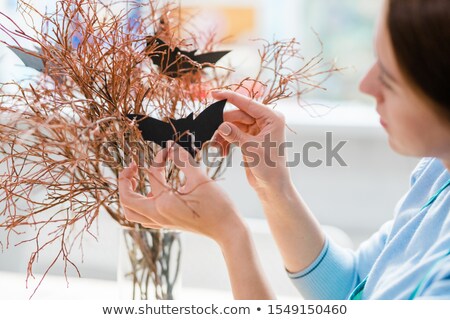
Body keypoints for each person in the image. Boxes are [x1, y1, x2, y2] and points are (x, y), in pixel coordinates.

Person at [118, 0, 450, 300]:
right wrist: (275, 188)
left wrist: (231, 234)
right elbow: (353, 289)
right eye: (377, 57)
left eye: (391, 78)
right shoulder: (436, 175)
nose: (366, 85)